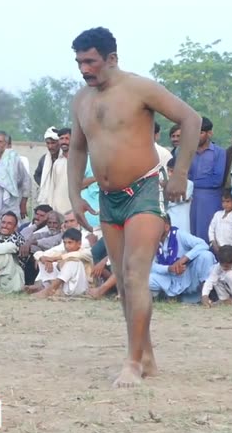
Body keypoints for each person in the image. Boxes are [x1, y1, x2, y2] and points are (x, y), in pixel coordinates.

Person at [66, 27, 201, 388]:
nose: (84, 68)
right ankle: (147, 355)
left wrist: (180, 173)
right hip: (108, 199)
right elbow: (77, 149)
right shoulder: (81, 99)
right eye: (79, 61)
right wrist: (74, 192)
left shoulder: (140, 88)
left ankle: (131, 362)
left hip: (144, 189)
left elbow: (191, 119)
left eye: (90, 61)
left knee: (134, 273)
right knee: (124, 283)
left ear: (111, 58)